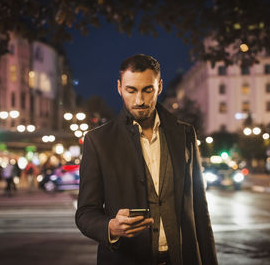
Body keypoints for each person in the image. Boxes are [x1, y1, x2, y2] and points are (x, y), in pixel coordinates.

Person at [76, 54, 218, 265]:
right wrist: (111, 227)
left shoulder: (185, 134)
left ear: (159, 87)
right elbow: (85, 213)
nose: (139, 100)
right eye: (131, 90)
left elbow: (200, 211)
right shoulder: (98, 141)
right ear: (119, 88)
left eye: (147, 90)